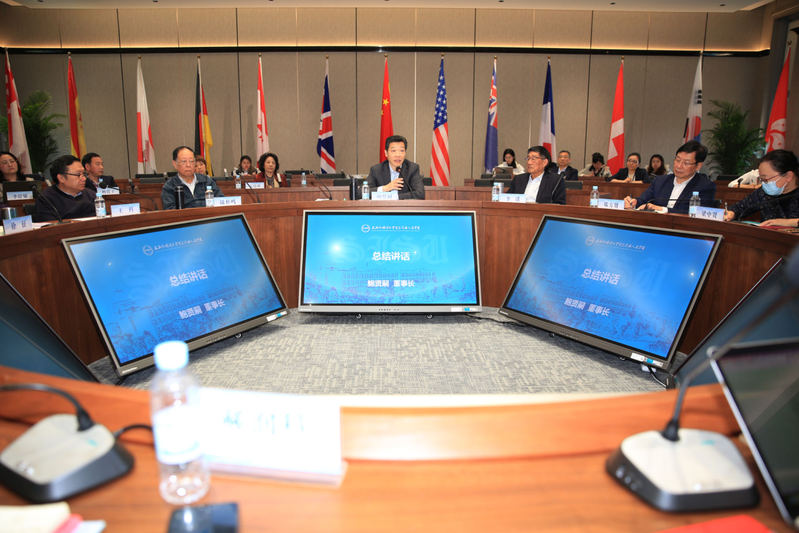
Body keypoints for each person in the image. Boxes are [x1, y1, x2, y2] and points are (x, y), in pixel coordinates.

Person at [624, 141, 715, 215]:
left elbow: (699, 214)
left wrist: (663, 210)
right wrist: (633, 202)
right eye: (677, 160)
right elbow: (642, 200)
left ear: (698, 166)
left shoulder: (705, 186)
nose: (679, 166)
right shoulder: (660, 181)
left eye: (686, 163)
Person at [724, 149, 799, 227]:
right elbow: (739, 207)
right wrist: (731, 213)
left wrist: (789, 222)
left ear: (788, 176)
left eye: (765, 179)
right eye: (761, 180)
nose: (764, 184)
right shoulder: (762, 193)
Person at [33, 154, 96, 222]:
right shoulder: (46, 199)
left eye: (84, 174)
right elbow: (49, 225)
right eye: (78, 174)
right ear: (61, 178)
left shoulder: (91, 195)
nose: (84, 178)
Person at [367, 135, 425, 200]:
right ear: (386, 153)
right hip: (382, 206)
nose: (398, 155)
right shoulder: (376, 170)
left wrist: (394, 197)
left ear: (405, 153)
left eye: (401, 151)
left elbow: (420, 194)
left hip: (403, 206)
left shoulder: (412, 169)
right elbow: (361, 192)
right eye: (393, 151)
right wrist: (385, 188)